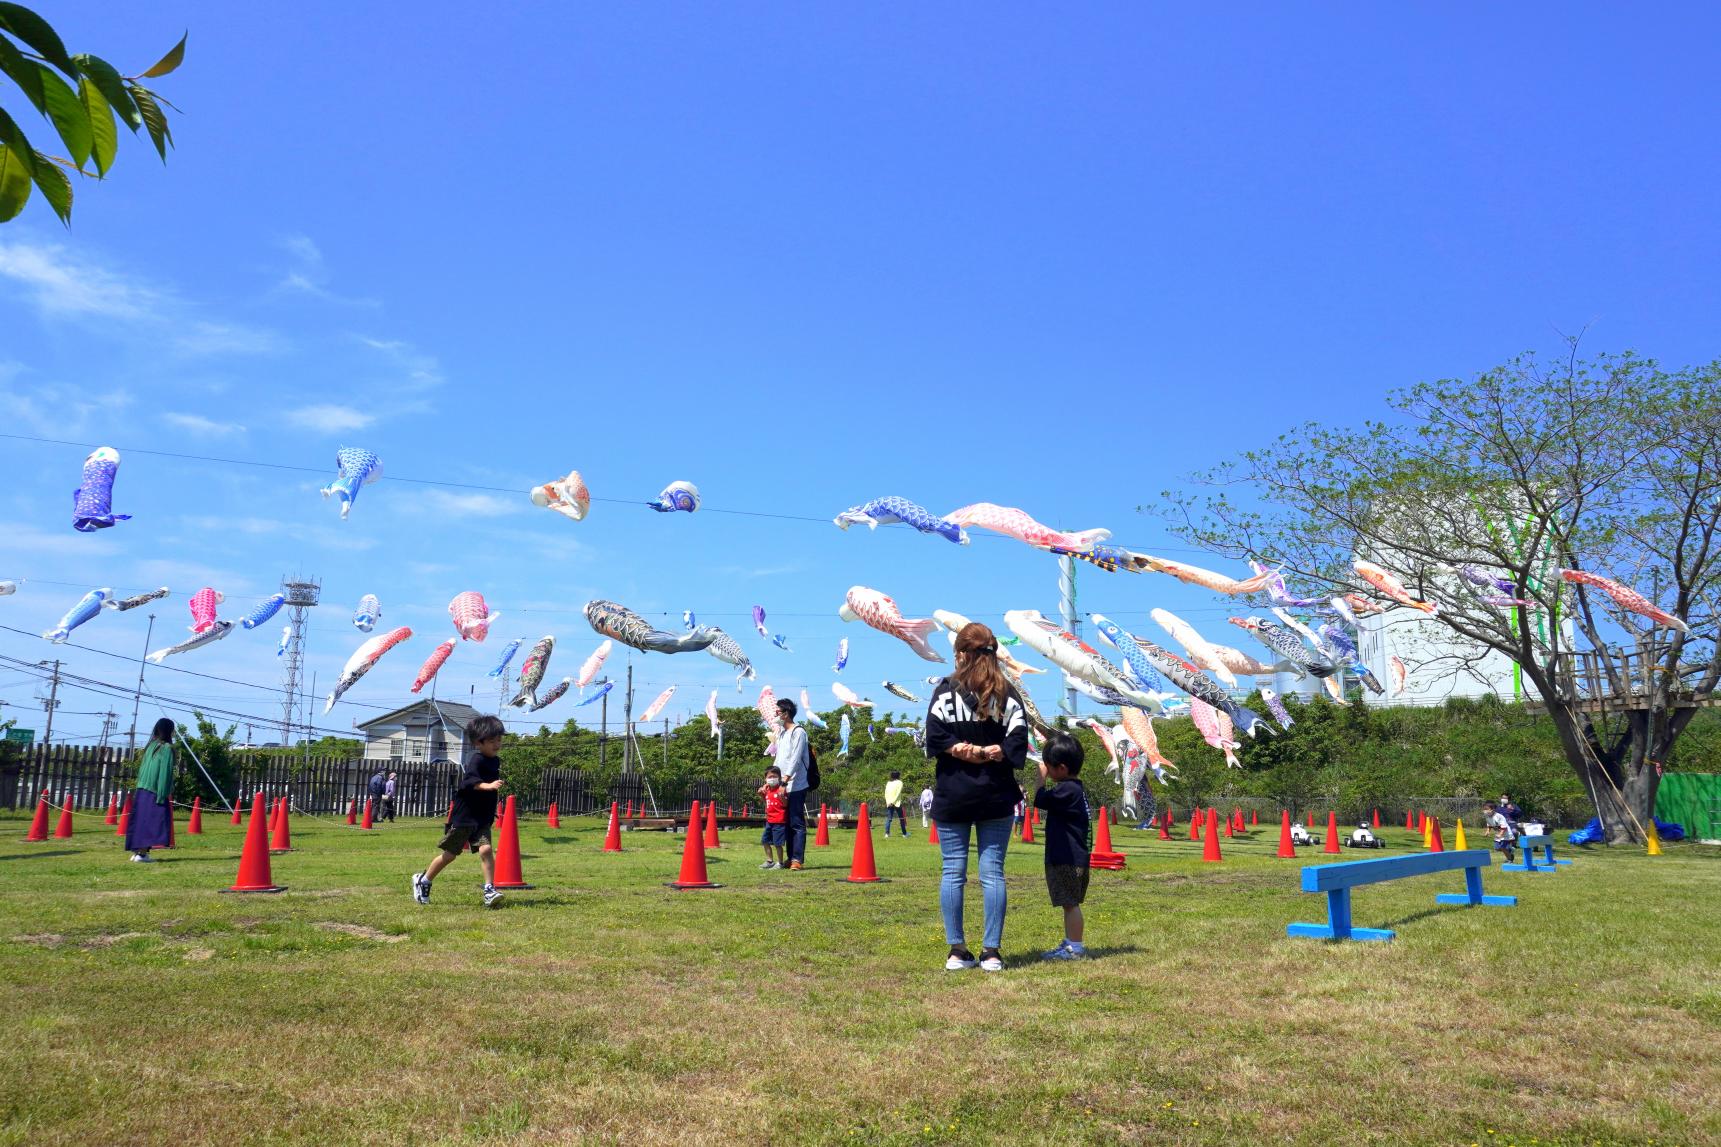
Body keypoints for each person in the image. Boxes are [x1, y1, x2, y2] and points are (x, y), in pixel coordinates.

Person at [926, 622, 1029, 973]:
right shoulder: (1007, 693)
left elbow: (935, 733)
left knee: (953, 871)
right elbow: (1018, 741)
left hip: (954, 791)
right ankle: (992, 953)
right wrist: (993, 752)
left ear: (961, 653)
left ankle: (957, 951)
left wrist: (960, 750)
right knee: (993, 874)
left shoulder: (945, 690)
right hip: (996, 793)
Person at [412, 715, 507, 907]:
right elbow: (468, 782)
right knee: (450, 854)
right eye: (492, 741)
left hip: (482, 818)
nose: (497, 744)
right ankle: (424, 880)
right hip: (465, 817)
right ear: (478, 743)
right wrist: (487, 786)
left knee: (486, 849)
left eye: (499, 739)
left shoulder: (495, 761)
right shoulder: (477, 760)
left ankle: (489, 889)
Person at [1034, 731, 1091, 960]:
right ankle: (1070, 943)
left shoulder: (1067, 790)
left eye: (1050, 766)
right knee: (1069, 903)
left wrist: (1040, 778)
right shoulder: (1074, 789)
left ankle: (1075, 947)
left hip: (1068, 858)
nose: (1047, 769)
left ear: (1062, 768)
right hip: (1073, 857)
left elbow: (1040, 800)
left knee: (1070, 903)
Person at [125, 717, 176, 862]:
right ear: (168, 731)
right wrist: (163, 794)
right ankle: (141, 854)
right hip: (155, 790)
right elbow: (165, 773)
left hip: (141, 789)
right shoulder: (167, 748)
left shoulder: (151, 746)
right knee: (153, 822)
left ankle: (138, 853)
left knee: (140, 821)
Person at [773, 697, 810, 870]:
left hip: (796, 784)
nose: (775, 714)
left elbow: (795, 759)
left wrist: (785, 780)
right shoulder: (781, 733)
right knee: (785, 822)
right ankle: (789, 857)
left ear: (786, 714)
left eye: (778, 712)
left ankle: (797, 859)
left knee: (796, 822)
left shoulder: (798, 732)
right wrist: (771, 780)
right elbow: (779, 759)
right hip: (782, 784)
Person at [756, 765, 788, 869]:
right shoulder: (767, 790)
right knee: (765, 841)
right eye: (769, 777)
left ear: (779, 777)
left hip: (779, 821)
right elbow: (766, 802)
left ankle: (780, 863)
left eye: (774, 776)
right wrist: (761, 795)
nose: (772, 779)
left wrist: (782, 797)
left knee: (778, 843)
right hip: (769, 820)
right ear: (765, 779)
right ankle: (769, 861)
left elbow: (785, 804)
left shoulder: (781, 789)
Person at [882, 770, 909, 838]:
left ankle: (887, 834)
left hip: (890, 803)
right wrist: (892, 802)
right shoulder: (900, 782)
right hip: (896, 803)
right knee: (901, 819)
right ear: (898, 776)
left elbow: (886, 794)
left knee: (889, 819)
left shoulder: (888, 783)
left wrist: (888, 802)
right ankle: (904, 834)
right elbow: (898, 793)